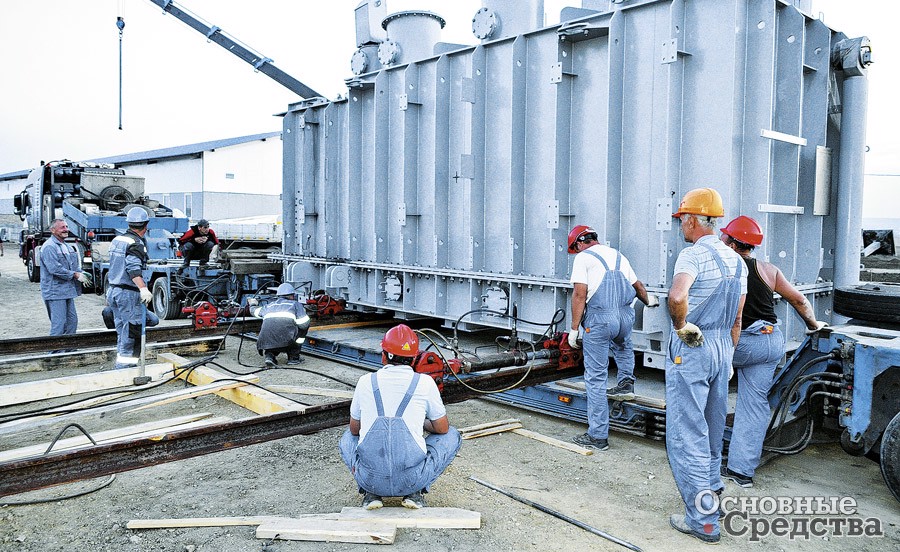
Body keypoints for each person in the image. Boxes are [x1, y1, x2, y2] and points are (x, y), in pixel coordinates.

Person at [720, 215, 826, 488]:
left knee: (708, 390)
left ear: (732, 244)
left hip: (740, 342)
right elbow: (799, 300)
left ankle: (703, 459)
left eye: (724, 236)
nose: (721, 239)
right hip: (770, 342)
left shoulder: (725, 268)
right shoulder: (769, 270)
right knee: (754, 405)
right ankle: (741, 472)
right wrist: (814, 325)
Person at [666, 188, 747, 544]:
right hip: (721, 347)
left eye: (683, 219)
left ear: (694, 220)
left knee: (687, 434)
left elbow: (677, 296)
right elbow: (738, 319)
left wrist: (682, 326)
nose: (682, 226)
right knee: (713, 428)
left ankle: (702, 520)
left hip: (694, 345)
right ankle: (712, 494)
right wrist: (727, 355)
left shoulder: (692, 255)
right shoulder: (737, 261)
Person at [339, 324, 461, 510]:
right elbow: (442, 429)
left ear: (384, 355)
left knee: (347, 438)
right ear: (414, 359)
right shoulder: (425, 383)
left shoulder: (365, 382)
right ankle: (415, 494)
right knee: (452, 434)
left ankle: (371, 494)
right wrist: (420, 423)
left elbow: (354, 429)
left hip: (370, 479)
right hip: (412, 480)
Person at [566, 225, 659, 451]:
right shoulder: (618, 255)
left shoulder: (583, 258)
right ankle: (626, 384)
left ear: (579, 243)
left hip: (600, 319)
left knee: (596, 377)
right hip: (624, 317)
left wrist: (574, 328)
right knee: (623, 346)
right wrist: (649, 302)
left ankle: (597, 435)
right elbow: (637, 286)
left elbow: (579, 294)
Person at [107, 207, 159, 370]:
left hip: (114, 291)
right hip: (128, 294)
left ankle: (121, 363)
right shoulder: (136, 244)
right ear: (146, 225)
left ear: (129, 223)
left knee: (123, 330)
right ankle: (124, 370)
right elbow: (133, 269)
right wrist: (143, 288)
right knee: (132, 333)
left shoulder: (118, 239)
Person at [39, 219, 88, 335]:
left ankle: (69, 350)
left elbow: (74, 266)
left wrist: (82, 273)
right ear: (52, 230)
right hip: (55, 292)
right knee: (59, 325)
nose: (66, 229)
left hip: (68, 290)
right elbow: (54, 269)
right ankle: (55, 352)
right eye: (62, 227)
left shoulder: (68, 247)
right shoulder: (49, 247)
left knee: (72, 322)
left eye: (66, 226)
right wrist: (75, 275)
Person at [247, 283, 311, 367]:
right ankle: (293, 357)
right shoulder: (295, 304)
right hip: (287, 342)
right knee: (303, 329)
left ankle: (269, 356)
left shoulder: (269, 306)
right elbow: (304, 325)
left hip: (265, 343)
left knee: (272, 331)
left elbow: (253, 311)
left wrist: (252, 304)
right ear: (292, 295)